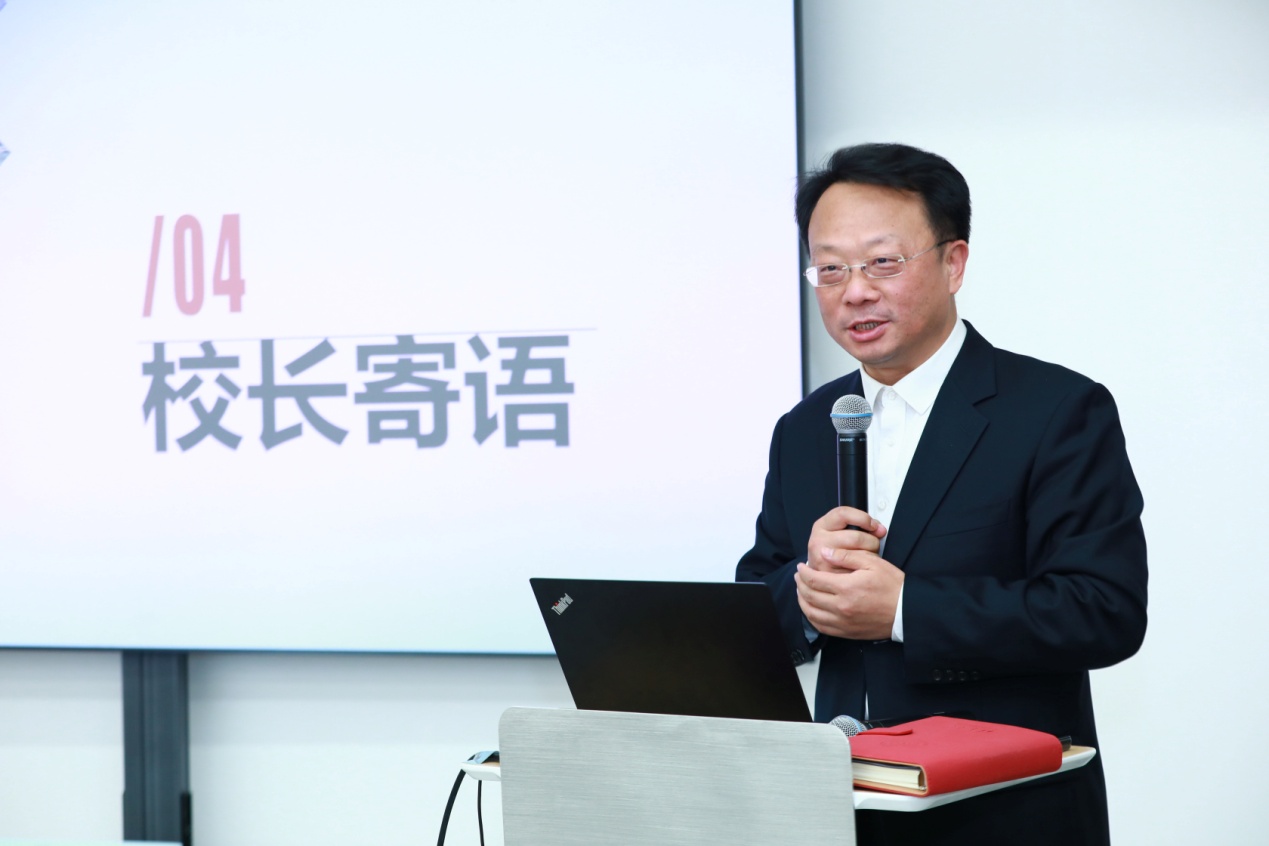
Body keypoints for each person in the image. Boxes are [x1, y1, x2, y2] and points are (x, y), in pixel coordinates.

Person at [736, 143, 1147, 845]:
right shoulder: (804, 428)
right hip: (838, 810)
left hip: (1002, 812)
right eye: (830, 268)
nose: (854, 292)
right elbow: (754, 609)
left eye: (882, 262)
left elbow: (1101, 611)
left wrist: (903, 610)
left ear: (953, 263)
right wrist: (806, 590)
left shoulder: (1055, 410)